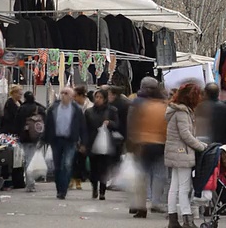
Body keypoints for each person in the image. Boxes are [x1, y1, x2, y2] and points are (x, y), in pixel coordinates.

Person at [165, 82, 208, 228]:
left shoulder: (175, 110)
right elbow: (186, 135)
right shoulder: (182, 113)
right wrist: (201, 146)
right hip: (182, 153)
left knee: (174, 187)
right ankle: (187, 220)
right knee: (184, 188)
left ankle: (173, 220)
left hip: (175, 152)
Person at [128, 77, 168, 218]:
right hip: (160, 144)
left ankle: (140, 205)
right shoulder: (163, 105)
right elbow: (166, 127)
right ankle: (156, 202)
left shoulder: (138, 103)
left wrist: (132, 142)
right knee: (159, 174)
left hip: (142, 143)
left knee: (141, 175)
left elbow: (132, 124)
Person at [43, 87, 87, 200]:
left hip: (70, 140)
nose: (63, 95)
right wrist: (45, 139)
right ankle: (59, 188)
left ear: (72, 96)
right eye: (62, 93)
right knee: (57, 166)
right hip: (56, 140)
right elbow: (48, 124)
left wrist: (83, 143)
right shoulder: (54, 108)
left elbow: (82, 127)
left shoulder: (76, 109)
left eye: (66, 93)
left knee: (67, 164)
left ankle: (63, 190)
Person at [85, 88, 119, 200]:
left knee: (104, 168)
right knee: (93, 168)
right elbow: (85, 128)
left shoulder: (112, 110)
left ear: (105, 99)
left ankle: (102, 191)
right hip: (93, 142)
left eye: (100, 97)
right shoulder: (89, 112)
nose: (98, 99)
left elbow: (117, 125)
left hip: (106, 144)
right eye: (96, 97)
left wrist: (110, 123)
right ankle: (94, 188)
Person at [16, 91, 47, 192]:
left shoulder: (22, 109)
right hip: (37, 136)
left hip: (25, 137)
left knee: (27, 159)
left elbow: (17, 123)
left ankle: (30, 183)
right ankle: (32, 181)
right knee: (33, 157)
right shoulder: (39, 108)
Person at [70, 85, 93, 190]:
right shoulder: (71, 106)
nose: (74, 98)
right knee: (72, 159)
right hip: (73, 136)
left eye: (75, 96)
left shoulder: (89, 106)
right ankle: (71, 179)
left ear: (81, 96)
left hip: (85, 136)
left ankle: (79, 179)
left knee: (81, 159)